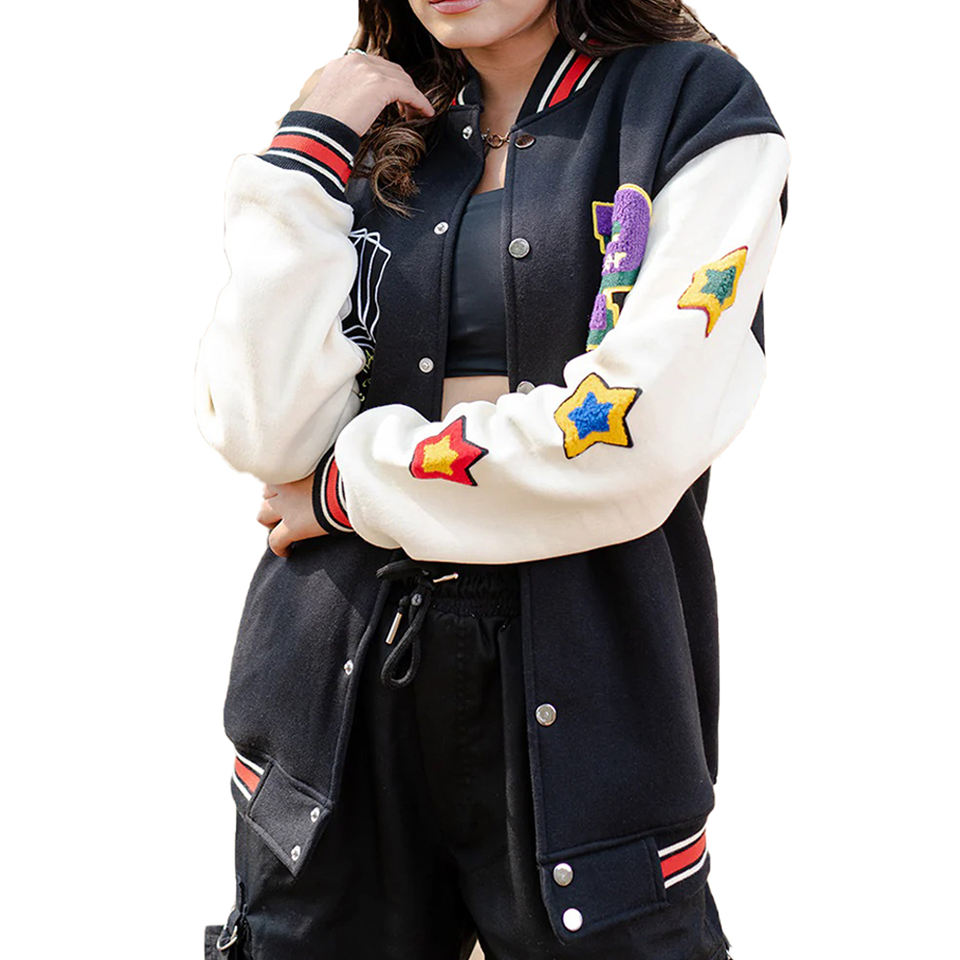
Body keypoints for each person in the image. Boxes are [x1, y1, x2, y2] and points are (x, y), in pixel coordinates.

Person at [194, 0, 790, 957]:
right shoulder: (371, 124)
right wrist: (303, 157)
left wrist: (350, 491)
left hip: (595, 687)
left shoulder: (693, 108)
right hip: (329, 703)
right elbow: (263, 429)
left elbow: (631, 433)